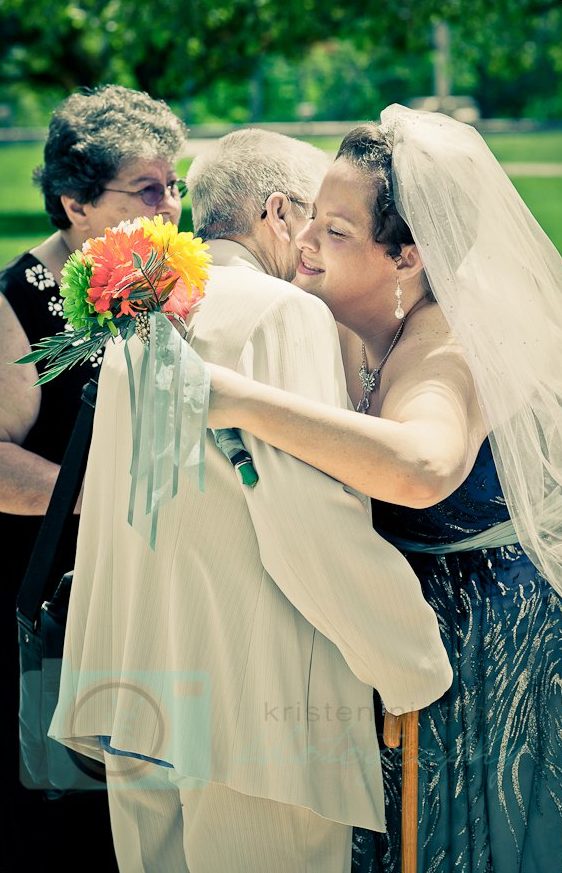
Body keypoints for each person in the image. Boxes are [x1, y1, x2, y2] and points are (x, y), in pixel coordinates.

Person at [49, 128, 452, 873]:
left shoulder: (141, 313)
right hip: (252, 714)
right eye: (318, 223)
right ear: (276, 212)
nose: (317, 250)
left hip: (140, 691)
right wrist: (410, 662)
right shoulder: (279, 313)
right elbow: (306, 522)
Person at [206, 107, 562, 872]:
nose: (302, 244)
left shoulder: (447, 350)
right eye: (309, 219)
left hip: (484, 635)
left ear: (408, 257)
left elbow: (420, 467)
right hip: (400, 622)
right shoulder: (343, 320)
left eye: (336, 232)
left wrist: (232, 398)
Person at [0, 84, 188, 873]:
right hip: (56, 605)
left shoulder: (156, 284)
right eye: (148, 188)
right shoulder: (15, 303)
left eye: (177, 184)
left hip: (146, 592)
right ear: (76, 202)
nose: (172, 205)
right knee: (66, 814)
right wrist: (115, 499)